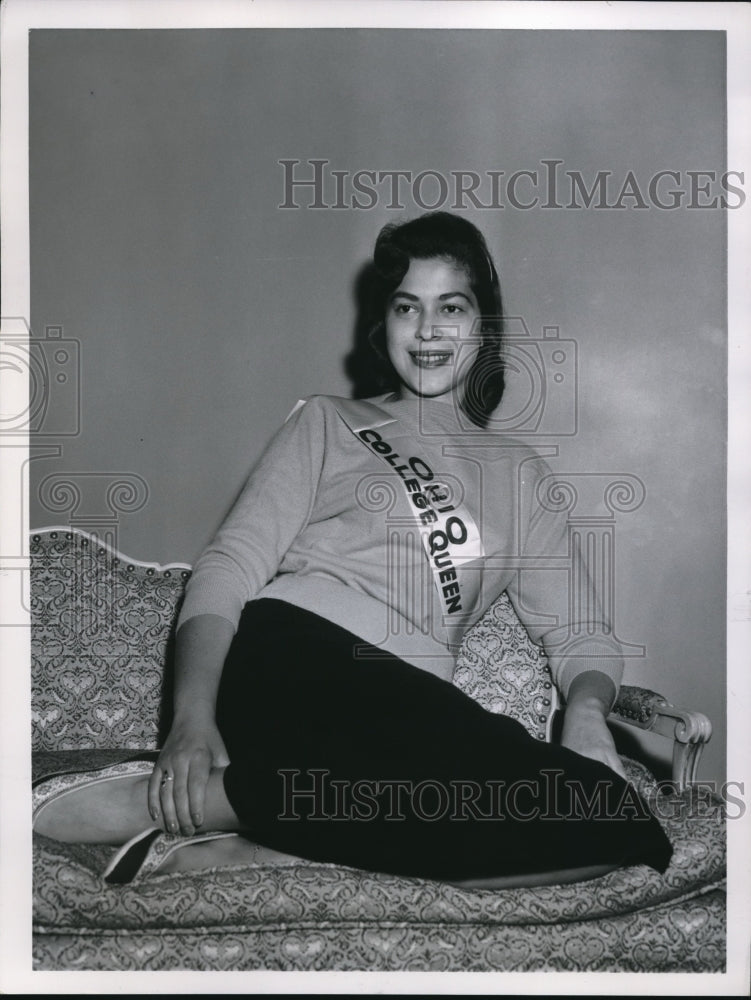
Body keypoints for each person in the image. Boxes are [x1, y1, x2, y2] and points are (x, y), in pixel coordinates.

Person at [33, 212, 672, 886]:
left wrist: (587, 715)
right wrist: (190, 724)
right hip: (293, 658)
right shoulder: (330, 421)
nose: (427, 330)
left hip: (409, 716)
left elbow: (579, 635)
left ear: (483, 327)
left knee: (612, 823)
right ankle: (207, 802)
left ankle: (256, 826)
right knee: (478, 782)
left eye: (449, 307)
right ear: (384, 325)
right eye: (407, 308)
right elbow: (229, 568)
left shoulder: (520, 476)